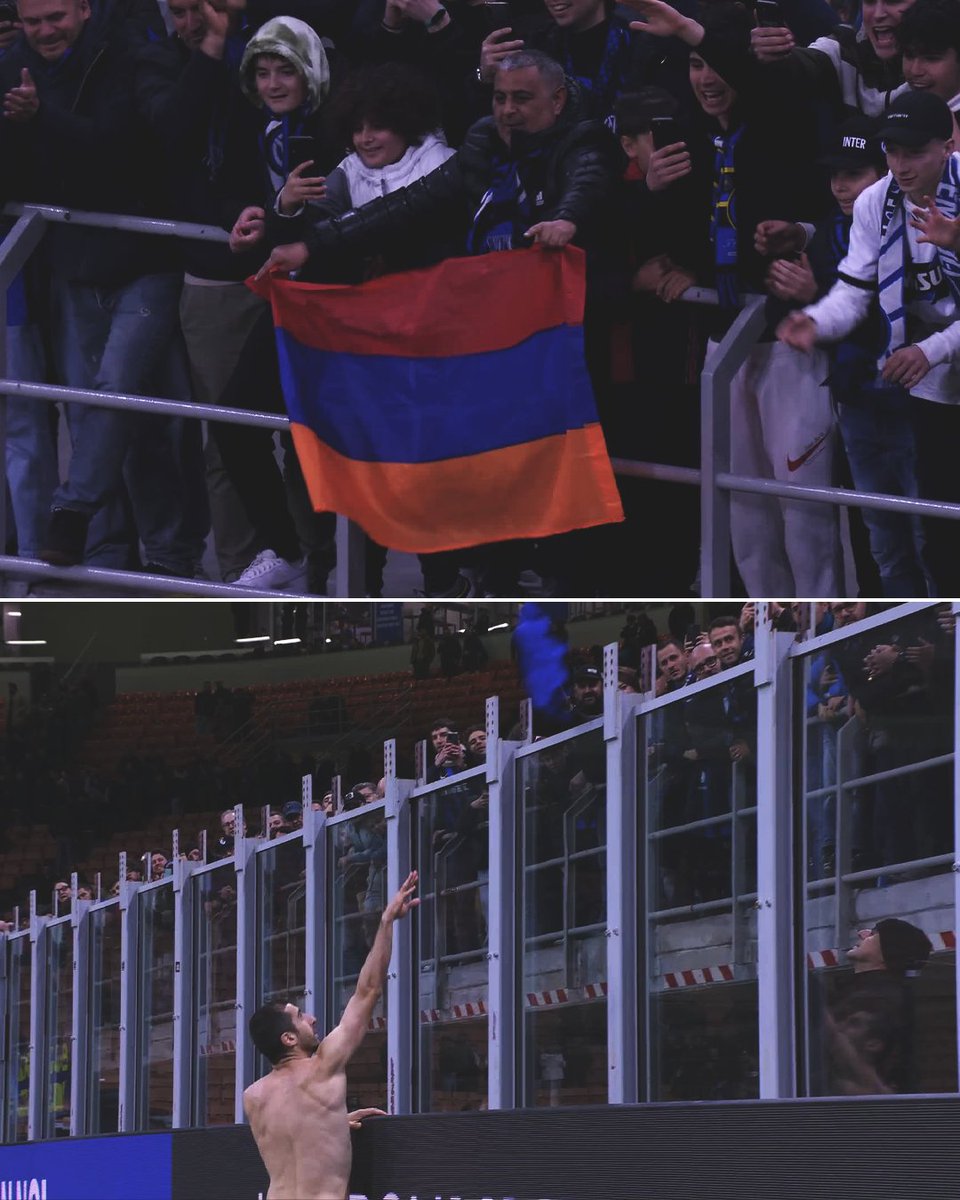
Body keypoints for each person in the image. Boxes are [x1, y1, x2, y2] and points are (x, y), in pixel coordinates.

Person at [778, 90, 960, 594]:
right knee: (934, 534)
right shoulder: (874, 202)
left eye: (913, 151)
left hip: (932, 358)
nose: (900, 165)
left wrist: (930, 350)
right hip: (932, 383)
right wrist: (815, 321)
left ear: (948, 145)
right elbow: (855, 291)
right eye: (891, 151)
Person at [244, 871, 419, 1200]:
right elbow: (367, 993)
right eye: (300, 1017)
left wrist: (335, 1120)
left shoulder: (253, 1097)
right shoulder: (323, 1068)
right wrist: (386, 922)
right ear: (289, 1039)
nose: (311, 1018)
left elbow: (298, 1132)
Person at [822, 919, 933, 1094]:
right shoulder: (868, 994)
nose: (862, 934)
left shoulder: (883, 1000)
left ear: (889, 950)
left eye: (873, 934)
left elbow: (846, 1063)